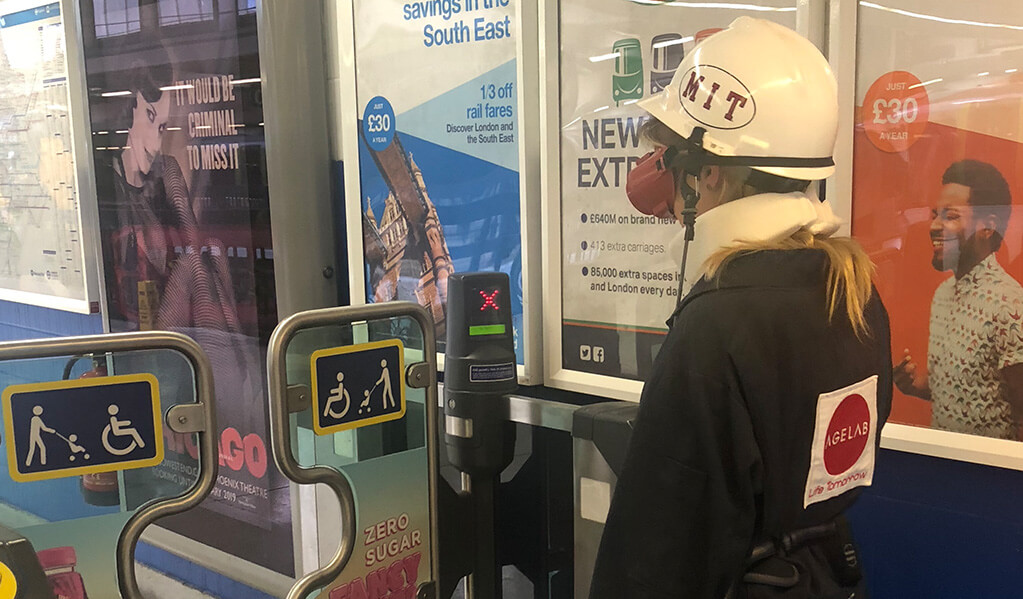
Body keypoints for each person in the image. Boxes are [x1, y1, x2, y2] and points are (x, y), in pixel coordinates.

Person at [590, 18, 893, 599]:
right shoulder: (854, 292)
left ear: (708, 171)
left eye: (673, 159)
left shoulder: (714, 329)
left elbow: (655, 552)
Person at [894, 160, 1023, 440]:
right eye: (934, 215)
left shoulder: (1009, 305)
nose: (934, 226)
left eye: (950, 216)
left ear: (987, 227)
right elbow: (967, 392)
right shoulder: (943, 295)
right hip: (943, 469)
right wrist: (916, 385)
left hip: (989, 476)